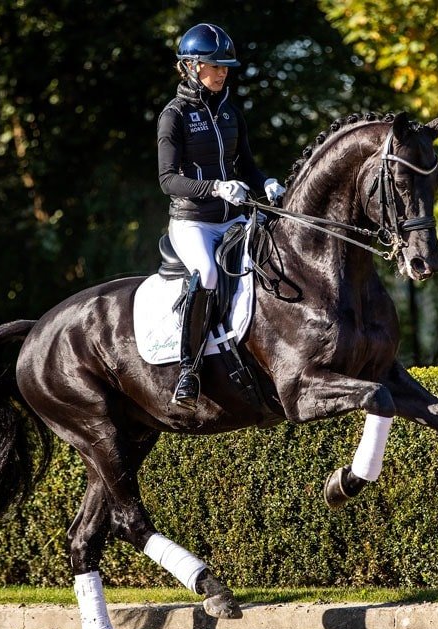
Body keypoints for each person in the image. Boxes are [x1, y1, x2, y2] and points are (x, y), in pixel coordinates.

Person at [157, 23, 286, 410]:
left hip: (233, 218)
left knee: (270, 257)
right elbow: (168, 180)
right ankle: (189, 370)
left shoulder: (230, 111)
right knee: (209, 274)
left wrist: (268, 184)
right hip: (192, 220)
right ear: (192, 66)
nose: (222, 71)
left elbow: (246, 165)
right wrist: (214, 187)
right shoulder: (174, 116)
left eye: (226, 66)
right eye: (214, 65)